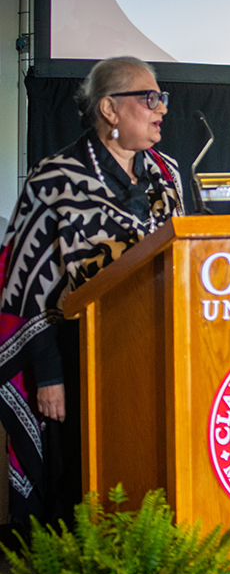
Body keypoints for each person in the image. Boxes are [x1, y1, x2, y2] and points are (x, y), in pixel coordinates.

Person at [0, 56, 184, 526]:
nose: (161, 108)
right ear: (109, 109)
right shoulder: (54, 179)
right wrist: (47, 376)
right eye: (149, 98)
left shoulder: (169, 176)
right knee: (76, 486)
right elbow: (23, 289)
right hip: (78, 359)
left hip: (162, 355)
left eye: (161, 98)